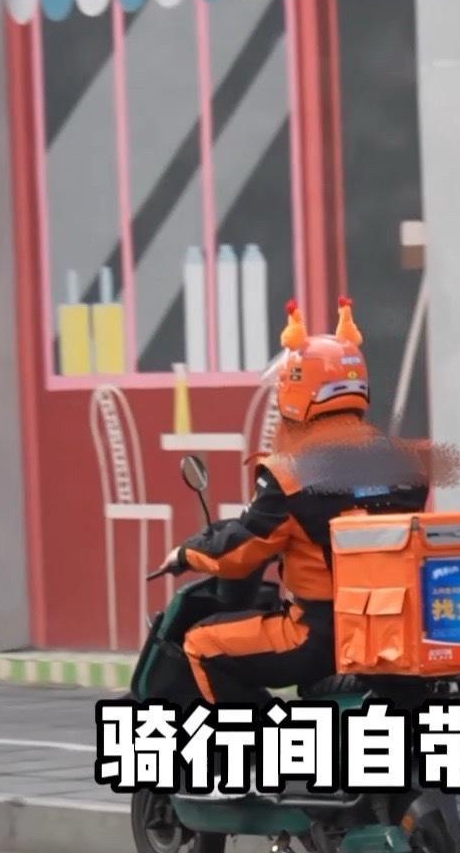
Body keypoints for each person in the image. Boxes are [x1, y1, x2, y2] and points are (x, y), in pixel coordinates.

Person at [156, 297, 428, 704]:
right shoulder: (406, 463)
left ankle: (273, 739)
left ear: (297, 389)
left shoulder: (292, 472)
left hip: (321, 634)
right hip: (393, 627)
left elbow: (240, 552)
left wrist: (187, 552)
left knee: (203, 644)